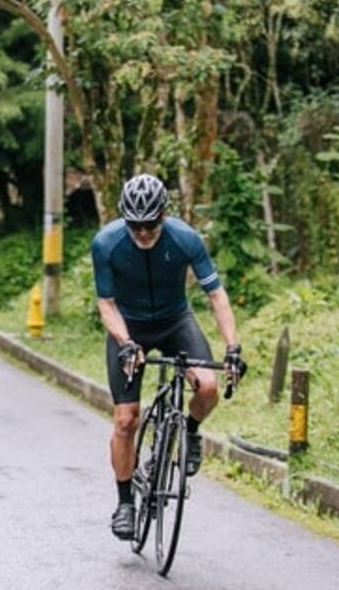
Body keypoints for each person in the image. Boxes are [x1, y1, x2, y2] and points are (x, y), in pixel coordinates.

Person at [90, 173, 245, 540]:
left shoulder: (185, 238)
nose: (143, 233)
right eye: (135, 225)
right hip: (130, 328)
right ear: (125, 220)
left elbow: (216, 296)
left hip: (176, 321)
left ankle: (189, 432)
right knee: (126, 419)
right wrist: (126, 341)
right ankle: (125, 502)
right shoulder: (106, 244)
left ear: (164, 215)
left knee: (208, 387)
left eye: (151, 224)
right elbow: (107, 305)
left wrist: (232, 347)